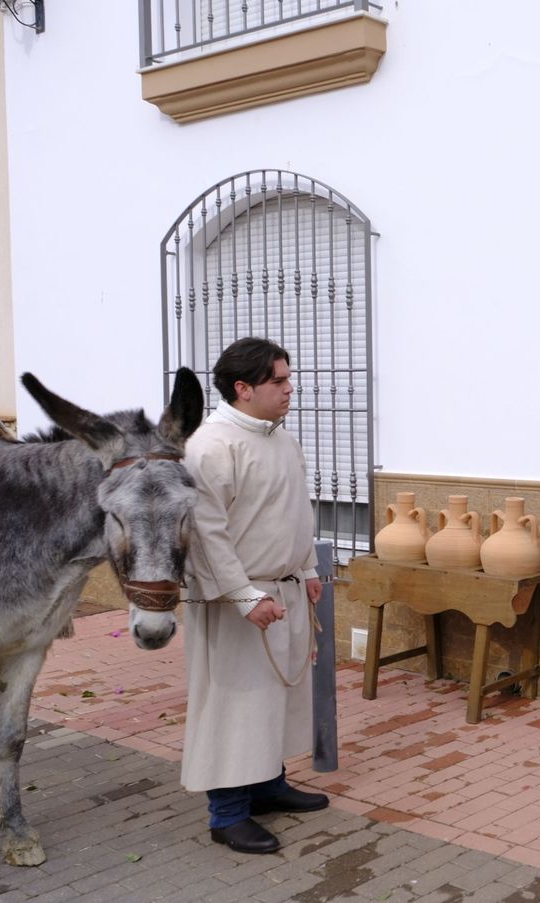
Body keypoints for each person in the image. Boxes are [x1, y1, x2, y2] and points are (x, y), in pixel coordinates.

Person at [181, 337, 328, 855]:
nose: (290, 389)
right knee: (235, 705)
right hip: (238, 601)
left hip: (282, 589)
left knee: (276, 699)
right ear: (242, 389)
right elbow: (206, 533)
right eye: (279, 381)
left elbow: (294, 511)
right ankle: (227, 814)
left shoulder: (282, 440)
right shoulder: (211, 446)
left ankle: (268, 786)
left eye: (288, 378)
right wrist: (245, 596)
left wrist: (306, 567)